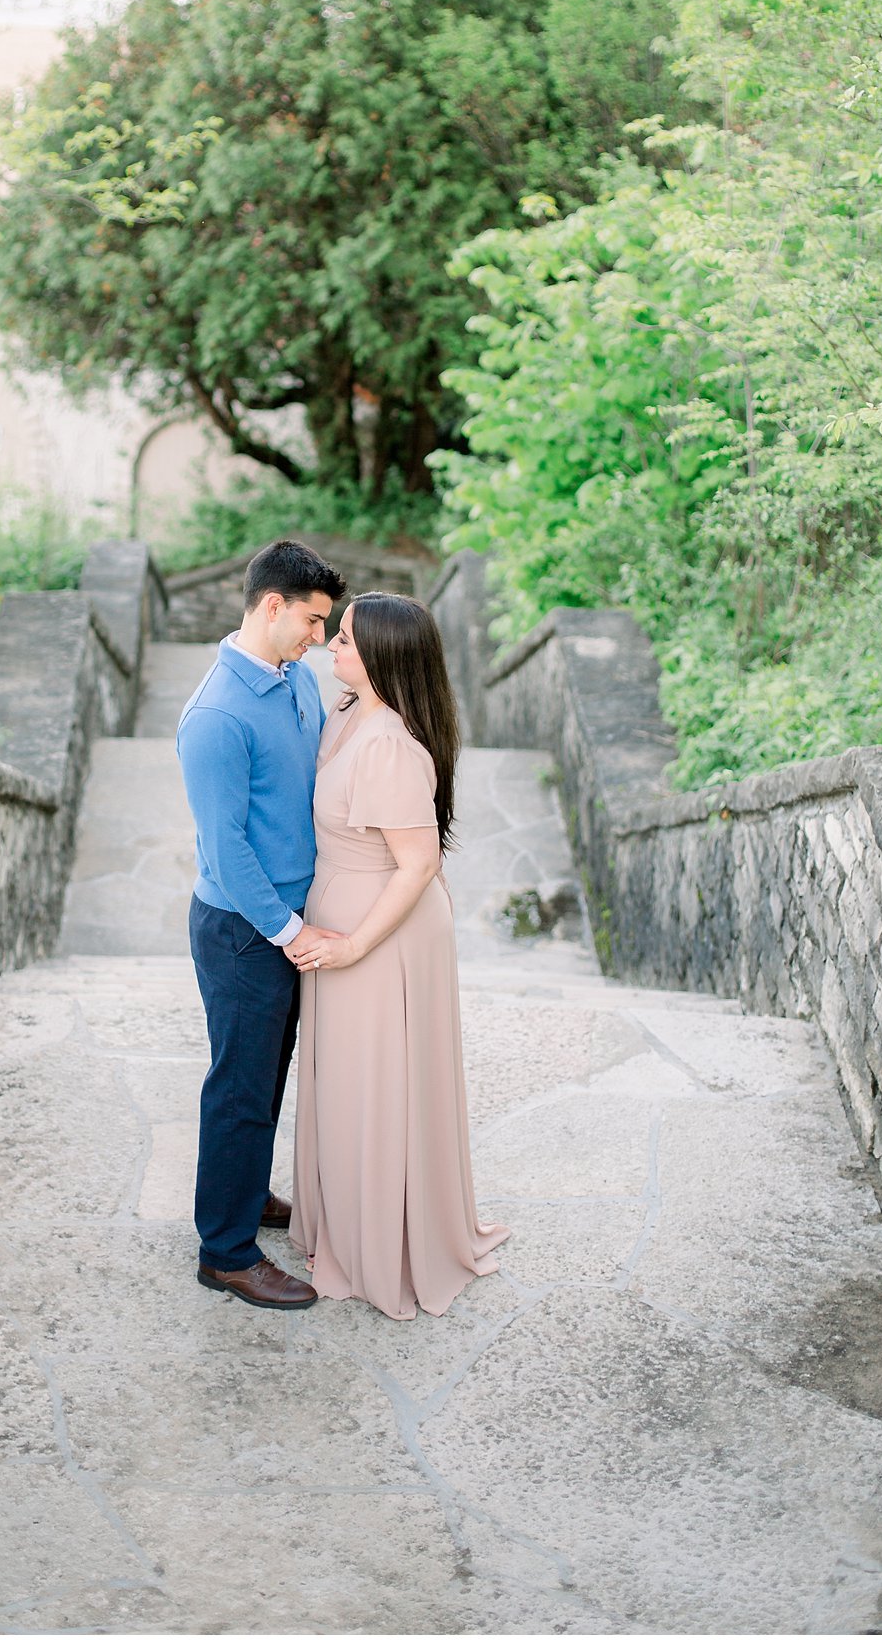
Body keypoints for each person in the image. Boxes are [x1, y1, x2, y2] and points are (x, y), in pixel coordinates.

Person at [287, 591, 509, 1320]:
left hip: (379, 931)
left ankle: (382, 1244)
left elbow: (416, 866)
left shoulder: (387, 745)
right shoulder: (352, 715)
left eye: (345, 640)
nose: (331, 647)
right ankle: (349, 1227)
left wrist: (353, 944)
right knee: (350, 1084)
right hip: (352, 914)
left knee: (374, 1085)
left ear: (381, 655)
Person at [176, 538, 347, 1310]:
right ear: (270, 605)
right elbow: (225, 847)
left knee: (267, 1076)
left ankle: (244, 1194)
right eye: (313, 621)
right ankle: (226, 1251)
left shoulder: (296, 678)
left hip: (287, 919)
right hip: (246, 930)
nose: (320, 637)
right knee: (239, 1088)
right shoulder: (215, 714)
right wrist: (290, 930)